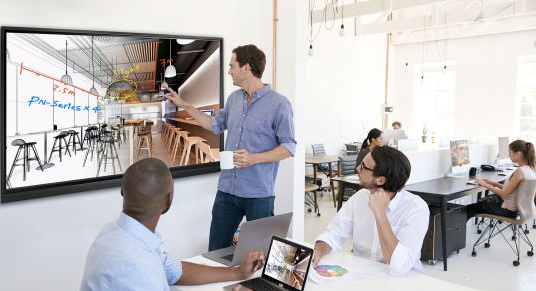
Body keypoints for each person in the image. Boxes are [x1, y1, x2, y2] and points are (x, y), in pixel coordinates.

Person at [76, 158, 265, 291]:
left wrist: (238, 272)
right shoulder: (138, 272)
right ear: (169, 200)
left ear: (122, 192)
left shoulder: (114, 233)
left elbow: (172, 269)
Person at [165, 44, 296, 251]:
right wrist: (185, 105)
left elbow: (289, 147)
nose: (229, 71)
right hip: (227, 190)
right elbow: (214, 125)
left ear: (246, 68)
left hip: (259, 194)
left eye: (232, 66)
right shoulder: (234, 99)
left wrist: (254, 158)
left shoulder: (279, 104)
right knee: (216, 251)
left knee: (258, 255)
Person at [313, 146, 429, 277]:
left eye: (363, 166)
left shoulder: (416, 208)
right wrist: (320, 249)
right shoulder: (360, 197)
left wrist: (380, 212)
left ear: (380, 180)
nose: (357, 168)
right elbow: (334, 233)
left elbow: (399, 266)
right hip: (363, 276)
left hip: (403, 282)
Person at [466, 140, 536, 220]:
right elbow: (512, 189)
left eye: (510, 153)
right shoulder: (530, 169)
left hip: (506, 210)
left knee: (467, 209)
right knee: (481, 202)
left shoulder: (520, 172)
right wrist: (493, 183)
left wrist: (485, 184)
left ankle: (454, 231)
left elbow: (505, 194)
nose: (509, 155)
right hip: (518, 209)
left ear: (518, 154)